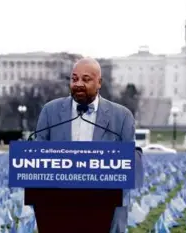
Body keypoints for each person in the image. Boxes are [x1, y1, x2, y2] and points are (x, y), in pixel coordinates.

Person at [35, 57, 143, 233]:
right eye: (74, 78)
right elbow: (36, 155)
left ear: (99, 82)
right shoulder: (50, 111)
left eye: (86, 79)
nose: (78, 84)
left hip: (104, 211)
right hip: (59, 209)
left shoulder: (122, 116)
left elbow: (132, 164)